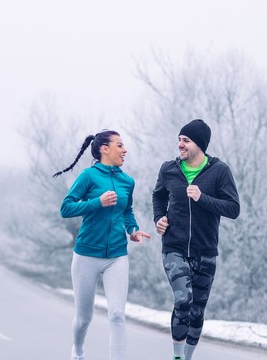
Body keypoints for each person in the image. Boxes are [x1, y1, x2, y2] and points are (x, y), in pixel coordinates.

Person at [55, 130, 152, 360]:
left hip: (117, 256)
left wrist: (133, 230)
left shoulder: (127, 181)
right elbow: (66, 208)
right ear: (104, 149)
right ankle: (78, 351)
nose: (125, 149)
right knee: (83, 318)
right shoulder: (88, 176)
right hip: (87, 254)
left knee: (117, 314)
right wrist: (96, 202)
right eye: (120, 145)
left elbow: (127, 212)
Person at [152, 119, 240, 360]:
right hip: (174, 248)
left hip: (206, 251)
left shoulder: (220, 171)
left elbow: (233, 208)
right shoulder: (168, 169)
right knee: (183, 299)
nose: (180, 144)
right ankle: (177, 356)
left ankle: (188, 357)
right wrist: (159, 217)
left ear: (200, 145)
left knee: (198, 310)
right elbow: (158, 196)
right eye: (179, 139)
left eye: (185, 140)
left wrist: (203, 198)